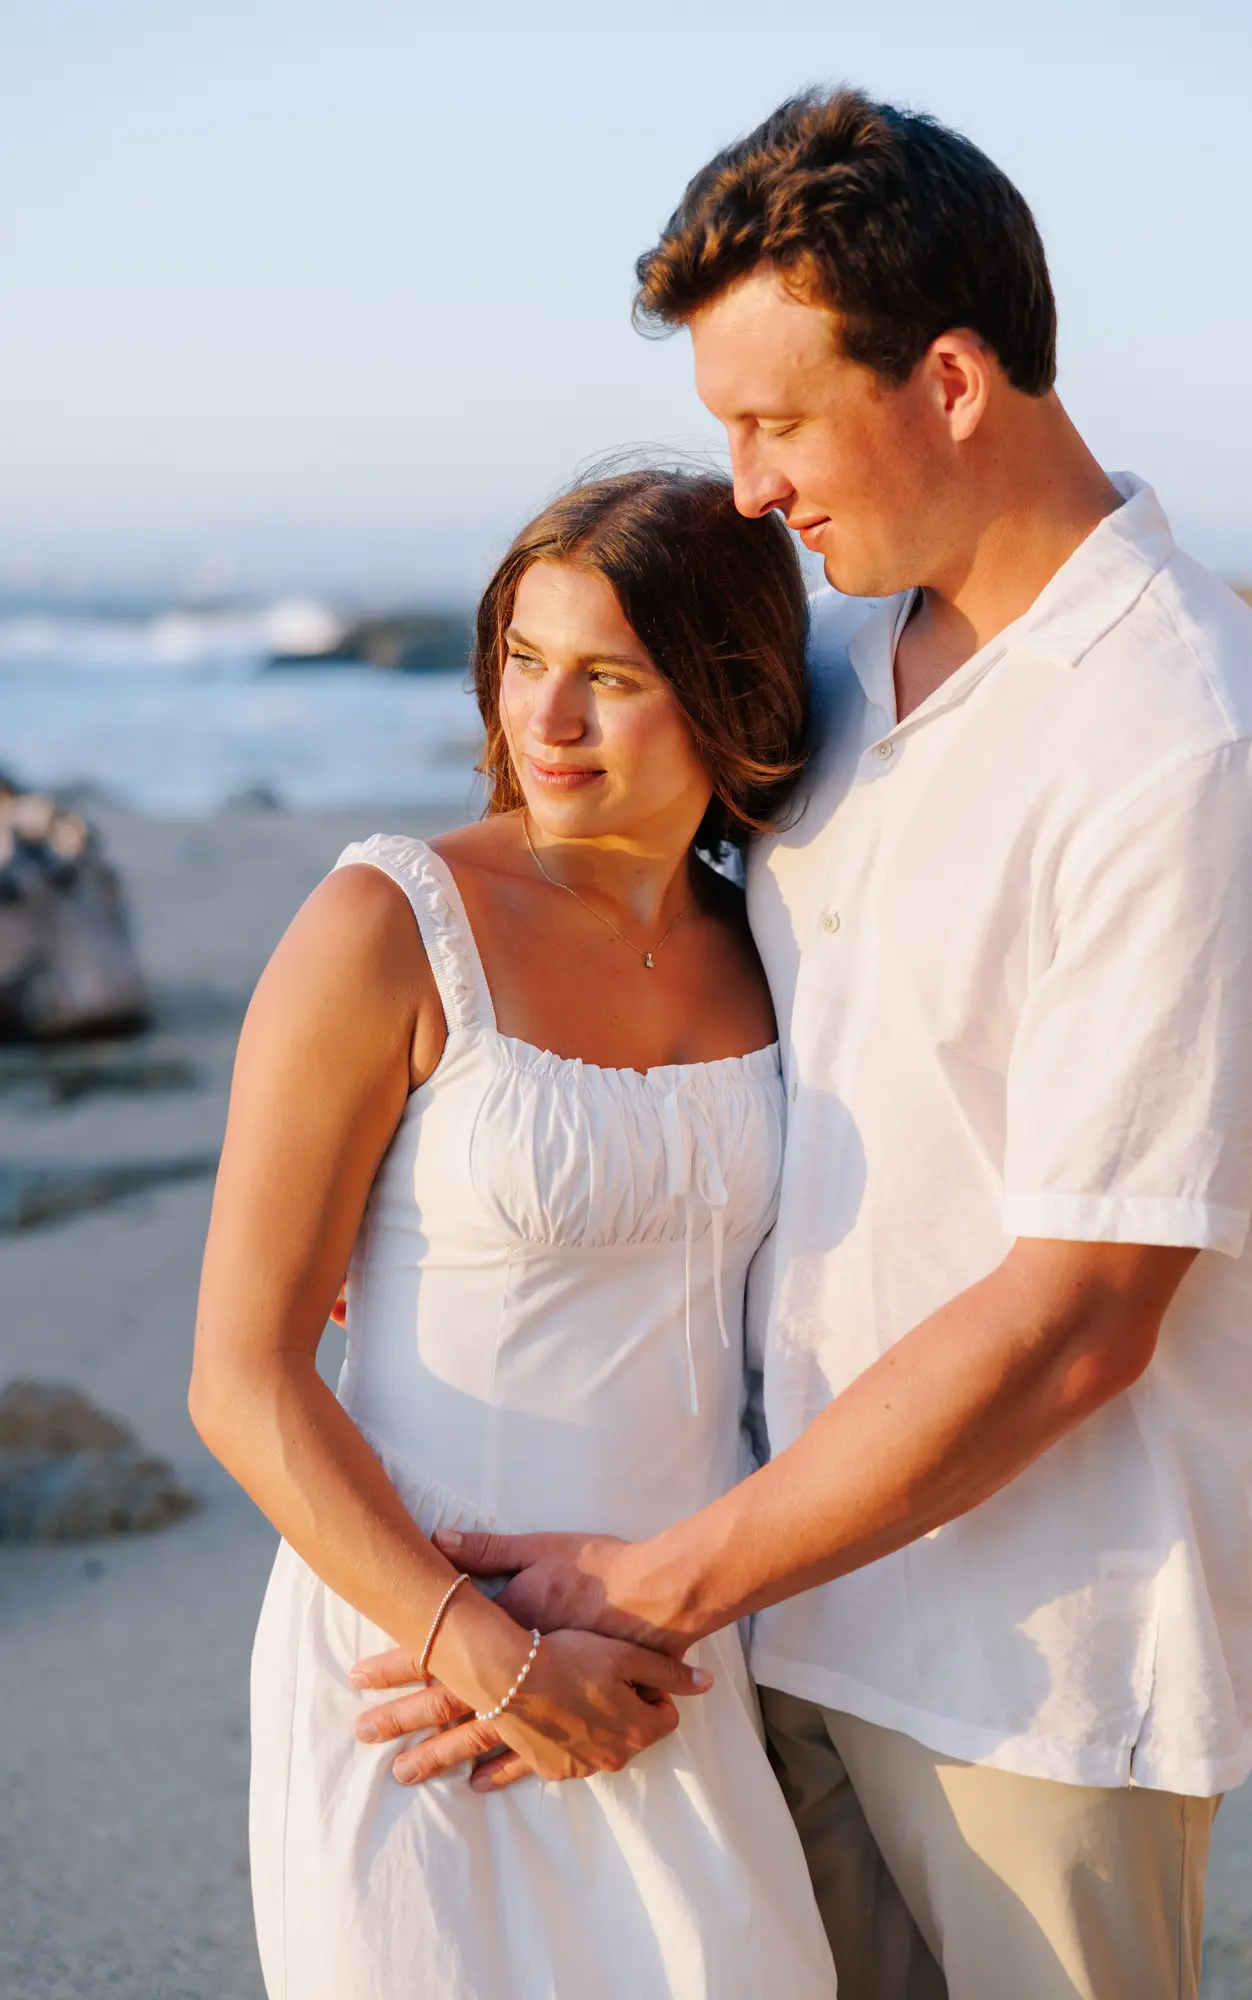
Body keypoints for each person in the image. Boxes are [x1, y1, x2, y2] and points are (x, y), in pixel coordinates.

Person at [354, 90, 1252, 1999]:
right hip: (774, 1636)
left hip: (1032, 1683)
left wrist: (648, 1581)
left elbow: (1079, 1315)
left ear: (951, 381)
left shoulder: (1192, 736)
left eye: (776, 421)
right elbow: (598, 825)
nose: (740, 483)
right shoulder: (839, 665)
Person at [189, 468, 837, 2000]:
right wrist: (478, 1654)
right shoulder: (384, 927)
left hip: (677, 1649)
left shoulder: (777, 947)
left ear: (730, 697)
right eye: (525, 659)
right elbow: (241, 1373)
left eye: (609, 678)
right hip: (413, 1677)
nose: (545, 720)